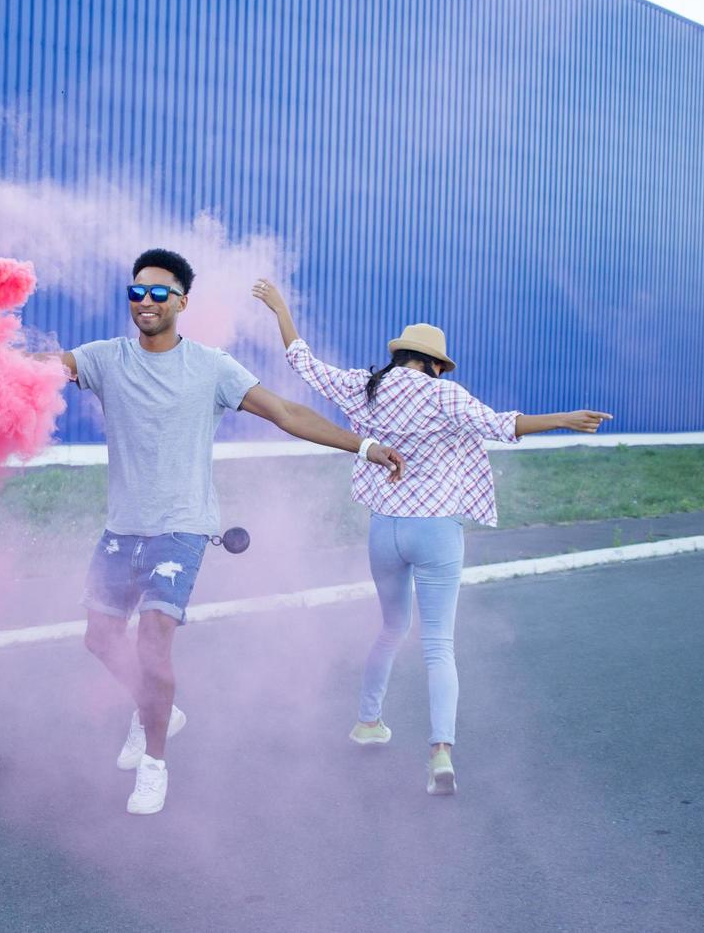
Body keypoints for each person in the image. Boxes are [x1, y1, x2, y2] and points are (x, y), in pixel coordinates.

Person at [46, 250, 404, 815]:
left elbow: (286, 412)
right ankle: (154, 709)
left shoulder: (212, 367)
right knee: (99, 638)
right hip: (123, 529)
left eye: (159, 294)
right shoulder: (103, 360)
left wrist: (363, 446)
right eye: (136, 292)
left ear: (182, 303)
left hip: (182, 529)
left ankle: (154, 763)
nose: (145, 301)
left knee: (153, 641)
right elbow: (43, 364)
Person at [252, 278, 610, 796]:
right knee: (438, 643)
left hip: (384, 530)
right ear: (436, 363)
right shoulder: (444, 393)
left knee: (391, 628)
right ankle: (441, 753)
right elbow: (501, 425)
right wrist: (564, 420)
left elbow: (301, 361)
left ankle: (368, 721)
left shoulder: (366, 385)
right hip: (436, 529)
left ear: (401, 356)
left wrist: (280, 308)